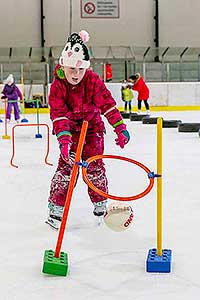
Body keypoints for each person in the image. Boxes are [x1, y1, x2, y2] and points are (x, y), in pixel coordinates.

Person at [46, 30, 130, 230]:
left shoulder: (92, 80)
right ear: (64, 65)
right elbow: (58, 115)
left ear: (86, 68)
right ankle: (56, 209)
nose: (76, 75)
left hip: (93, 130)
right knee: (66, 169)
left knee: (94, 167)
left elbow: (108, 105)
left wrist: (120, 128)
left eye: (80, 70)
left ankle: (100, 204)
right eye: (71, 70)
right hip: (70, 132)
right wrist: (64, 142)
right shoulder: (58, 86)